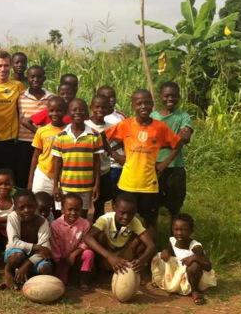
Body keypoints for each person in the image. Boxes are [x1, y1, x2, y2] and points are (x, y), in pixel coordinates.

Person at [104, 89, 183, 236]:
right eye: (139, 103)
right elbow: (104, 136)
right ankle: (123, 247)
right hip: (127, 183)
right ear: (133, 105)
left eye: (147, 103)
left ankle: (150, 251)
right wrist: (114, 154)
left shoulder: (159, 127)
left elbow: (177, 144)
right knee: (124, 219)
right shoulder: (126, 124)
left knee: (150, 220)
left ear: (152, 105)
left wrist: (164, 163)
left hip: (149, 185)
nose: (143, 106)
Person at [83, 193, 156, 283]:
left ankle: (137, 270)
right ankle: (100, 270)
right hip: (107, 255)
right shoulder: (105, 219)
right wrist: (109, 256)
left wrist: (141, 260)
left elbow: (151, 245)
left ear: (135, 212)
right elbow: (87, 237)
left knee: (145, 237)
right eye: (122, 213)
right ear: (114, 208)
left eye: (130, 213)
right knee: (99, 235)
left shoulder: (135, 221)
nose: (126, 217)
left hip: (123, 254)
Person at [52, 99, 104, 218]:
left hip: (86, 186)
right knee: (66, 215)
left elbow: (97, 162)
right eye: (74, 110)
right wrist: (56, 186)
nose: (78, 112)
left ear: (87, 113)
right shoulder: (61, 136)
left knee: (82, 215)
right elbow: (58, 163)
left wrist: (97, 185)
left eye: (81, 110)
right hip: (66, 185)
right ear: (68, 113)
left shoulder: (95, 135)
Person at [151, 213, 216, 305]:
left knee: (194, 266)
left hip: (194, 276)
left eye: (184, 230)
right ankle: (161, 279)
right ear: (172, 229)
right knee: (159, 256)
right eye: (176, 229)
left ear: (191, 231)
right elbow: (172, 254)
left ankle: (195, 291)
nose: (179, 233)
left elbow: (208, 266)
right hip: (179, 272)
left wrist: (195, 257)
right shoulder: (172, 241)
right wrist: (166, 251)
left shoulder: (195, 247)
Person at [150, 81, 193, 218]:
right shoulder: (152, 117)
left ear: (178, 97)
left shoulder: (183, 116)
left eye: (173, 96)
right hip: (153, 167)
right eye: (166, 95)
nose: (170, 99)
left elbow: (184, 138)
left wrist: (162, 141)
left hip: (175, 167)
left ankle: (174, 238)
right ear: (160, 97)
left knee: (175, 206)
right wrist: (174, 139)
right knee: (152, 205)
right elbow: (150, 141)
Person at [4, 190, 53, 289]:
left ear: (35, 205)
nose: (26, 210)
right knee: (17, 256)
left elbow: (45, 249)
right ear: (15, 208)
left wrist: (27, 265)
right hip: (16, 252)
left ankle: (28, 275)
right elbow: (13, 242)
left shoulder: (42, 222)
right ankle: (8, 270)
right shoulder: (13, 217)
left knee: (46, 268)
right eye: (21, 208)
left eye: (30, 206)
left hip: (34, 256)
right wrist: (36, 247)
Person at [0, 51, 26, 177]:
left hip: (9, 141)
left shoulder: (18, 86)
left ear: (10, 66)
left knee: (7, 180)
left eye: (6, 65)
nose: (2, 69)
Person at [15, 66, 53, 188]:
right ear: (27, 78)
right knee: (22, 175)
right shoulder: (20, 97)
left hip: (44, 144)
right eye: (32, 77)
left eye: (39, 77)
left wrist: (40, 135)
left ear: (44, 79)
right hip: (23, 143)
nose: (35, 79)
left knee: (41, 174)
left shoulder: (51, 98)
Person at [50, 193, 94, 289]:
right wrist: (60, 262)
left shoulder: (85, 224)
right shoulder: (55, 225)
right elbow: (54, 245)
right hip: (61, 259)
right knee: (61, 283)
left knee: (89, 253)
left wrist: (74, 254)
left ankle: (83, 279)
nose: (73, 213)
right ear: (62, 209)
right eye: (70, 209)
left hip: (77, 256)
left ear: (81, 209)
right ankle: (67, 272)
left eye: (77, 210)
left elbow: (85, 242)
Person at [28, 96, 68, 196]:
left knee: (59, 206)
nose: (55, 114)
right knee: (40, 202)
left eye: (59, 111)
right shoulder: (42, 131)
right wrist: (30, 180)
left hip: (63, 175)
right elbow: (35, 155)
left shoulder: (69, 131)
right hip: (43, 173)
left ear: (65, 111)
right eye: (51, 111)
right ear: (47, 111)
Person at [86, 95, 116, 220]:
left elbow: (118, 143)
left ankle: (97, 230)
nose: (100, 110)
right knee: (83, 203)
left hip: (103, 170)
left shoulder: (111, 127)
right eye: (97, 107)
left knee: (100, 203)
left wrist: (109, 148)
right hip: (85, 171)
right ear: (91, 107)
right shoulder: (84, 124)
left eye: (104, 107)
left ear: (109, 109)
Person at [97, 85, 125, 185]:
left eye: (113, 96)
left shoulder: (120, 117)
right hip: (102, 164)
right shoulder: (96, 117)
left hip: (117, 164)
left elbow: (125, 139)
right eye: (108, 97)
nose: (112, 99)